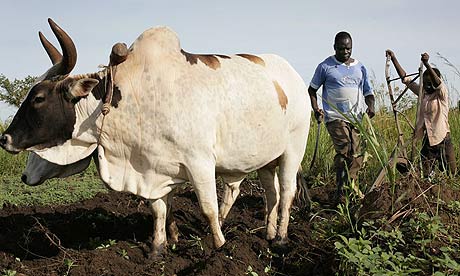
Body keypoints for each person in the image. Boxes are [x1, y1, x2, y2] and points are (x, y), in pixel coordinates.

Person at [308, 31, 375, 202]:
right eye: (341, 49)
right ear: (334, 48)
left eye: (348, 49)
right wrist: (316, 109)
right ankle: (344, 193)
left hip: (356, 119)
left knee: (357, 155)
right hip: (335, 116)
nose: (345, 52)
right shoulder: (325, 66)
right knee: (345, 149)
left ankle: (346, 189)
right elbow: (312, 90)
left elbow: (368, 92)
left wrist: (371, 106)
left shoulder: (360, 67)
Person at [386, 50, 457, 178]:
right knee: (426, 176)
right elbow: (406, 79)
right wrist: (394, 59)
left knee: (451, 174)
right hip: (428, 142)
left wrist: (427, 64)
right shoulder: (423, 93)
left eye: (430, 84)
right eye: (425, 83)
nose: (428, 86)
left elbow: (438, 84)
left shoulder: (441, 95)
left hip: (443, 141)